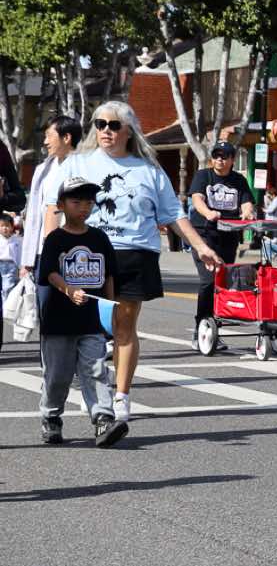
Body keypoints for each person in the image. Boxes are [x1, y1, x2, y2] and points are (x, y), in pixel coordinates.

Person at [57, 101, 223, 439]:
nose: (106, 130)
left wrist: (201, 246)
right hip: (88, 253)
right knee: (85, 329)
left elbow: (173, 214)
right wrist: (49, 249)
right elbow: (54, 207)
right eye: (100, 124)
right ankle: (90, 389)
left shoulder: (149, 170)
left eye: (114, 125)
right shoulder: (78, 163)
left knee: (125, 326)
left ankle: (120, 396)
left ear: (129, 131)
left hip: (135, 253)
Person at [34, 176, 120, 446]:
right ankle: (51, 417)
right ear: (61, 205)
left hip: (91, 320)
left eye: (89, 202)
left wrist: (110, 307)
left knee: (96, 370)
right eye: (76, 201)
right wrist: (69, 289)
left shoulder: (99, 238)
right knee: (57, 375)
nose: (84, 207)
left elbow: (109, 274)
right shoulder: (55, 239)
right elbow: (49, 273)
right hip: (58, 321)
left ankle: (103, 419)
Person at [12, 115, 81, 333]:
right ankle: (49, 356)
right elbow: (34, 216)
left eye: (49, 136)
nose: (45, 142)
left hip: (73, 252)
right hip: (43, 252)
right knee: (46, 309)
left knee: (74, 311)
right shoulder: (43, 169)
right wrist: (27, 260)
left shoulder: (83, 167)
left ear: (66, 137)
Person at [187, 141, 257, 351]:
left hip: (229, 235)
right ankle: (200, 329)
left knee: (223, 283)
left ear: (232, 159)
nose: (219, 159)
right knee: (209, 280)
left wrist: (247, 212)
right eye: (216, 155)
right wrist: (208, 212)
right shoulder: (203, 176)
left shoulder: (239, 180)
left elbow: (247, 202)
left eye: (224, 156)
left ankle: (214, 329)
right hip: (204, 235)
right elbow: (197, 199)